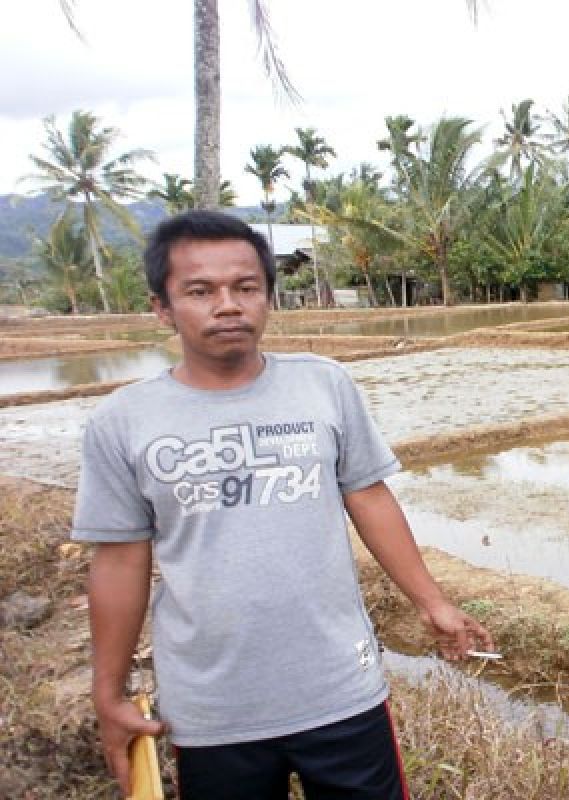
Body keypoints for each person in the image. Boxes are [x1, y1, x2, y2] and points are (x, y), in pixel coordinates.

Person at [71, 210, 493, 799]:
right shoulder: (123, 421)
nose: (228, 305)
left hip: (341, 688)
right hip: (212, 707)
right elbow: (119, 560)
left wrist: (433, 603)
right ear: (162, 308)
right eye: (200, 291)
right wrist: (108, 692)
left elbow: (368, 495)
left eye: (246, 288)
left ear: (268, 297)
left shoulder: (324, 386)